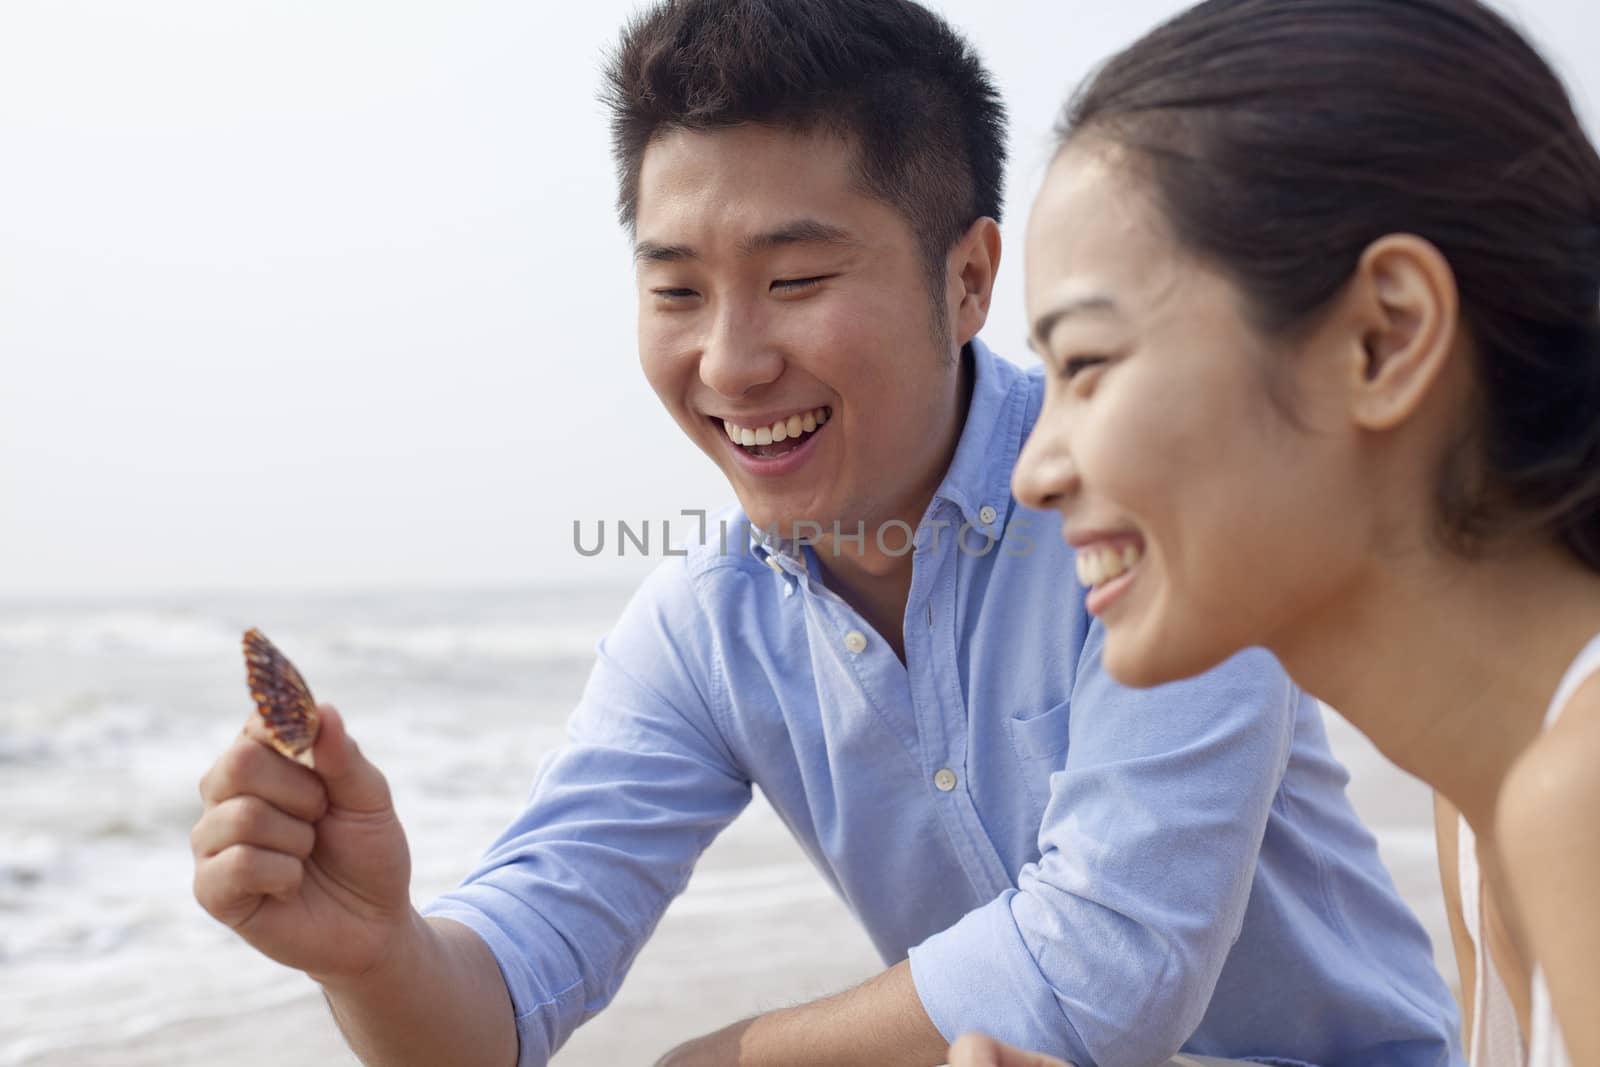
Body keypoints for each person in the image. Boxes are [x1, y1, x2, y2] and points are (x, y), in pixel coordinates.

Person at [189, 2, 1464, 1065]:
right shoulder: (703, 626)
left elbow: (1110, 962)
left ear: (968, 279)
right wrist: (374, 947)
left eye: (795, 281)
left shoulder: (1156, 503)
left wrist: (721, 1057)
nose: (732, 360)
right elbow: (501, 997)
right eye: (676, 288)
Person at [970, 0, 1600, 1065]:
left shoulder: (1576, 796)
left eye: (1085, 364)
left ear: (1380, 337)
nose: (1036, 470)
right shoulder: (1488, 797)